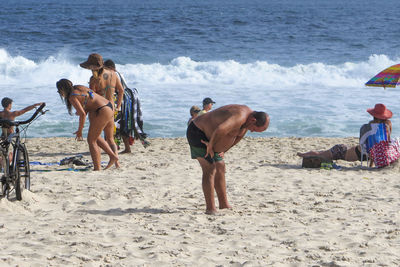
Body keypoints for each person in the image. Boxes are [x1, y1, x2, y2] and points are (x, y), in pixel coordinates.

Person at [186, 104, 270, 214]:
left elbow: (238, 137)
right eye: (254, 129)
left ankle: (223, 204)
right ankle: (210, 208)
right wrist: (210, 146)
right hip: (197, 132)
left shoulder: (247, 123)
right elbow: (221, 129)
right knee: (210, 168)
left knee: (220, 166)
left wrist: (223, 150)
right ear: (253, 120)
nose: (252, 131)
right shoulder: (240, 116)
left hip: (212, 139)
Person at [297, 103, 393, 165]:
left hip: (348, 151)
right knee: (321, 155)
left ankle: (306, 154)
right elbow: (386, 143)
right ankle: (304, 155)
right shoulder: (386, 127)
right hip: (341, 151)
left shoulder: (367, 128)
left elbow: (361, 142)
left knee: (322, 153)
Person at [56, 79, 119, 171]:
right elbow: (90, 100)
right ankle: (113, 157)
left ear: (62, 89)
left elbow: (82, 114)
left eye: (59, 91)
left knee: (91, 140)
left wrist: (80, 131)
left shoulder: (72, 97)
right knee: (96, 137)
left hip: (102, 110)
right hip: (108, 105)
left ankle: (98, 168)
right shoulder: (80, 88)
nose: (59, 93)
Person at [80, 53, 124, 154]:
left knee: (94, 138)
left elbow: (92, 97)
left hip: (99, 109)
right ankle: (116, 161)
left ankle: (100, 159)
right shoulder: (113, 74)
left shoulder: (94, 79)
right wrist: (118, 106)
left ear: (92, 66)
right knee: (110, 138)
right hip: (111, 108)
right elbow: (121, 90)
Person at [103, 59, 150, 153]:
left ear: (111, 68)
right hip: (126, 102)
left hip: (121, 102)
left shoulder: (113, 75)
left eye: (105, 68)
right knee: (123, 125)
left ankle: (120, 148)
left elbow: (118, 90)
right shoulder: (119, 74)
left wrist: (117, 105)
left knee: (117, 125)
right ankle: (122, 147)